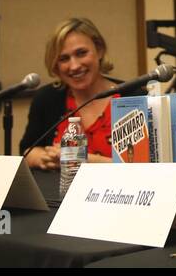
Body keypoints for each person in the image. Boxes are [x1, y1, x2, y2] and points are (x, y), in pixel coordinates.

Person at [22, 18, 120, 170]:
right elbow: (28, 150)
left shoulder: (133, 97)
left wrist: (81, 159)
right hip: (59, 192)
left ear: (99, 50)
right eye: (64, 58)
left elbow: (144, 165)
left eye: (81, 53)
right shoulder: (47, 99)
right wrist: (44, 158)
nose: (74, 66)